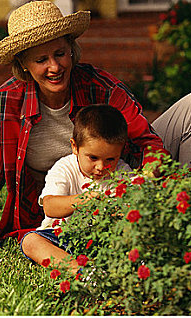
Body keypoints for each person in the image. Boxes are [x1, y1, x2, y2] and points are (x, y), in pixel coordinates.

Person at [0, 0, 191, 258]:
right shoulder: (5, 103)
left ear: (71, 50)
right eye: (41, 60)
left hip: (118, 179)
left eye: (60, 54)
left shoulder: (100, 86)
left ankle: (189, 210)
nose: (55, 67)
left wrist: (144, 183)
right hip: (63, 207)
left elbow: (146, 141)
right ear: (23, 65)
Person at [21, 104, 131, 271]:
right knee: (30, 241)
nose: (101, 166)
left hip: (104, 240)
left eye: (110, 159)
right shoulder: (65, 168)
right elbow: (50, 206)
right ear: (75, 147)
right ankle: (82, 271)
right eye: (93, 157)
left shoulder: (123, 173)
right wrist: (82, 200)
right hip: (62, 237)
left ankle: (109, 268)